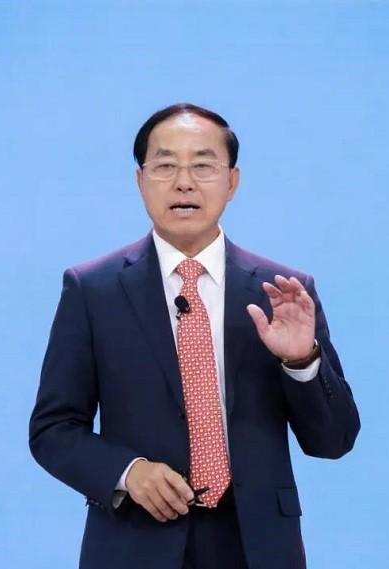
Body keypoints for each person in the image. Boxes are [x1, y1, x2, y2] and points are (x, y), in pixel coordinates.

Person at [29, 103, 360, 569]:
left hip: (258, 546)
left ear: (232, 182)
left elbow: (334, 441)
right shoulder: (93, 290)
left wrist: (301, 362)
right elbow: (53, 430)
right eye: (165, 166)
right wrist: (127, 472)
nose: (184, 182)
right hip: (135, 544)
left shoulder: (283, 293)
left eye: (203, 166)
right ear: (140, 181)